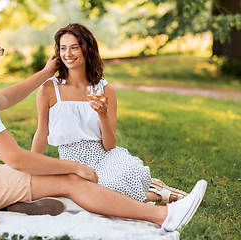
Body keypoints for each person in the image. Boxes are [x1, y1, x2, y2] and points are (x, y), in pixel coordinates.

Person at [0, 21, 207, 232]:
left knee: (68, 180)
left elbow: (4, 98)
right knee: (71, 181)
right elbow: (16, 158)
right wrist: (74, 166)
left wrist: (43, 74)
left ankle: (18, 201)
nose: (1, 55)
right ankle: (165, 216)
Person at [31, 23, 186, 203]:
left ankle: (150, 192)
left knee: (118, 181)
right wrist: (32, 168)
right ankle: (155, 195)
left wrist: (103, 115)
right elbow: (41, 134)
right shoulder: (49, 89)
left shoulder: (105, 90)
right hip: (70, 164)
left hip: (104, 158)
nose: (68, 54)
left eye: (74, 47)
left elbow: (110, 145)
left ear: (87, 49)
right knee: (93, 193)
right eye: (63, 48)